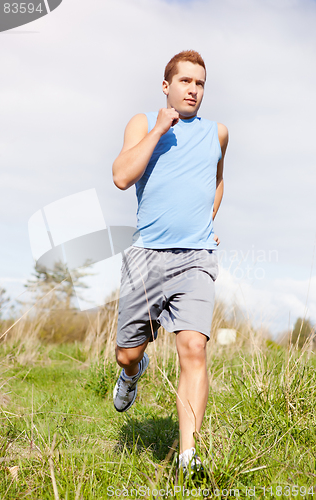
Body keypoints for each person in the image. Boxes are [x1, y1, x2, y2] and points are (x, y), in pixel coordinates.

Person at [112, 50, 228, 475]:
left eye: (200, 83)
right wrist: (160, 128)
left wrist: (206, 222)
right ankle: (131, 372)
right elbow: (122, 176)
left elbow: (216, 182)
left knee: (193, 348)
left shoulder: (217, 133)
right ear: (167, 86)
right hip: (146, 257)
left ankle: (188, 458)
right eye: (185, 82)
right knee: (126, 353)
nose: (193, 90)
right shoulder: (143, 122)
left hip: (196, 257)